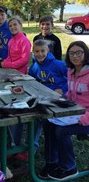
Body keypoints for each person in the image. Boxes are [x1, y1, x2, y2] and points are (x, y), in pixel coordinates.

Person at [39, 41, 89, 180]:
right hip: (72, 113)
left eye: (79, 52)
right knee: (48, 123)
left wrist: (82, 119)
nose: (75, 56)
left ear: (86, 54)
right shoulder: (71, 71)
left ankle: (69, 167)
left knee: (62, 131)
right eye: (72, 53)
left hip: (85, 118)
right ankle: (52, 163)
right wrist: (60, 99)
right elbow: (71, 95)